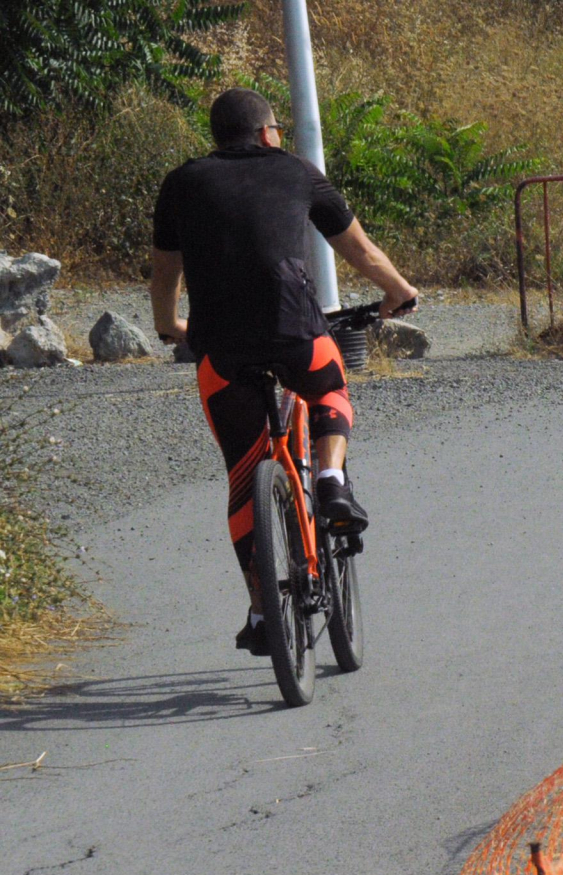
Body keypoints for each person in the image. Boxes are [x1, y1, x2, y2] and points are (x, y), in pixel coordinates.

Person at [149, 87, 418, 657]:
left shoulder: (182, 183)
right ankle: (329, 480)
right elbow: (360, 250)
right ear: (268, 132)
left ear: (219, 136)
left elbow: (164, 271)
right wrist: (398, 291)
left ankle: (260, 609)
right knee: (331, 388)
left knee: (245, 479)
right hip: (294, 330)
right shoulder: (297, 171)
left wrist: (169, 325)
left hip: (221, 349)